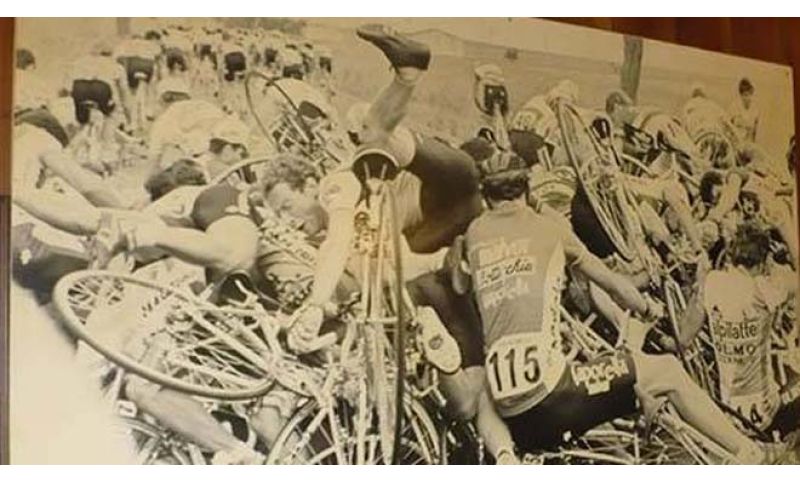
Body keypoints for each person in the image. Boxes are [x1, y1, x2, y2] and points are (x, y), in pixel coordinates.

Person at [456, 149, 765, 462]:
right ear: (526, 188)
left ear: (486, 196)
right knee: (666, 370)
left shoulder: (474, 234)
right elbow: (616, 287)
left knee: (486, 387)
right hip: (553, 396)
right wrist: (649, 309)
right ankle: (749, 452)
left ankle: (505, 455)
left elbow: (459, 283)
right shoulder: (549, 230)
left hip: (513, 414)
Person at [679, 223, 799, 435]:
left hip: (732, 414)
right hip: (767, 414)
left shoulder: (711, 282)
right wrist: (785, 231)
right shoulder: (764, 289)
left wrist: (699, 284)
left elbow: (684, 339)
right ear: (763, 263)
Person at [729, 78, 760, 143]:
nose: (748, 98)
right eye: (745, 95)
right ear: (741, 95)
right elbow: (731, 123)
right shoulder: (735, 106)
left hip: (748, 141)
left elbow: (755, 130)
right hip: (736, 140)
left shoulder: (755, 109)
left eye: (750, 94)